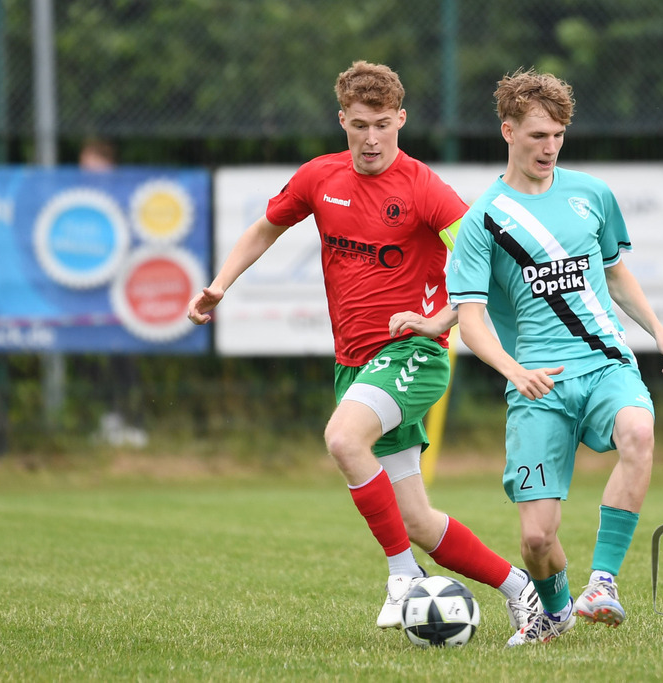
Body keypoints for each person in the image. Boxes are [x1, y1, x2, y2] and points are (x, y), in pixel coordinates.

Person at [187, 61, 539, 632]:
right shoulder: (319, 179)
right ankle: (520, 589)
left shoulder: (424, 188)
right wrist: (221, 284)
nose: (370, 138)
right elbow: (264, 230)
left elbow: (490, 270)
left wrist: (437, 323)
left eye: (382, 124)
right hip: (355, 365)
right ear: (342, 121)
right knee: (419, 521)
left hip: (412, 358)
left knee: (343, 438)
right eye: (358, 125)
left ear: (400, 119)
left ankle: (403, 579)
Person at [446, 68, 663, 647]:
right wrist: (514, 371)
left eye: (559, 134)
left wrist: (660, 333)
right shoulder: (484, 218)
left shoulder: (592, 195)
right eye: (538, 135)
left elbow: (615, 275)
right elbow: (469, 317)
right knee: (537, 541)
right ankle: (557, 610)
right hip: (536, 383)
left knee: (639, 430)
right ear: (507, 130)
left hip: (605, 362)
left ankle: (603, 584)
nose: (550, 147)